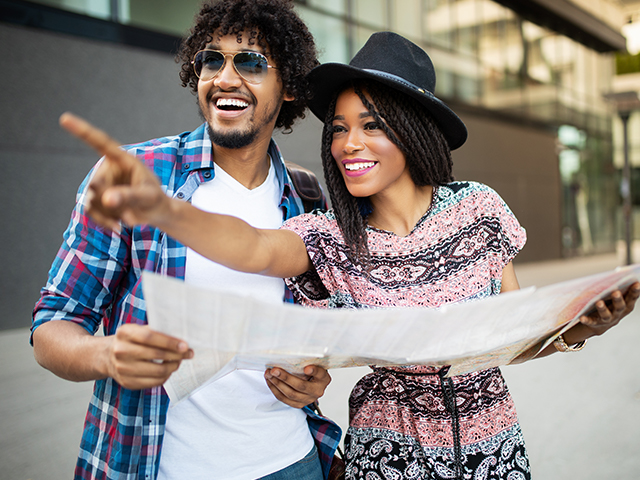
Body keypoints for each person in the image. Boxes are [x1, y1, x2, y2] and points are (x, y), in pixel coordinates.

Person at [60, 32, 640, 480]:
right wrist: (164, 211)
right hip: (383, 452)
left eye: (371, 126)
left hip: (492, 448)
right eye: (338, 129)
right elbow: (253, 247)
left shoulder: (479, 210)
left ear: (413, 132)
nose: (348, 144)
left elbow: (515, 338)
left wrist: (578, 328)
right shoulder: (331, 235)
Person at [30, 1, 343, 479]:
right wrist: (106, 354)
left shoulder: (305, 194)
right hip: (161, 464)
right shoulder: (135, 177)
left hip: (291, 462)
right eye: (212, 59)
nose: (225, 78)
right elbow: (52, 328)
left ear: (290, 89)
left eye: (252, 62)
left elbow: (312, 339)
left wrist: (311, 381)